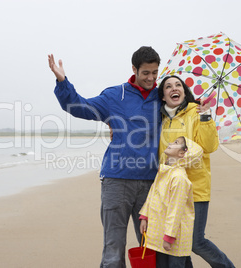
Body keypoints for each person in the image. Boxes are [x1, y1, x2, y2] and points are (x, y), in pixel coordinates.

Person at [48, 46, 162, 268]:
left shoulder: (162, 96)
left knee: (150, 247)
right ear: (134, 69)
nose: (151, 78)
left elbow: (183, 113)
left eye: (155, 72)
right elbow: (81, 107)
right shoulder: (115, 95)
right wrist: (63, 83)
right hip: (117, 181)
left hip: (151, 182)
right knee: (113, 248)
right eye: (146, 73)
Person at [158, 75, 235, 267]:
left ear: (184, 91)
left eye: (178, 85)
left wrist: (206, 116)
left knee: (195, 241)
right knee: (177, 243)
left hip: (195, 189)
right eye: (168, 86)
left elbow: (209, 146)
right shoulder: (160, 119)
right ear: (163, 96)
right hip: (170, 191)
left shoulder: (196, 111)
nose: (174, 88)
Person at [139, 136, 203, 268]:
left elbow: (176, 210)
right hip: (160, 231)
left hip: (173, 236)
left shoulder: (179, 178)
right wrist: (145, 216)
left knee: (176, 264)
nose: (170, 143)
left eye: (176, 143)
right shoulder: (165, 171)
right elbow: (152, 193)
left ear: (182, 153)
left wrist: (169, 237)